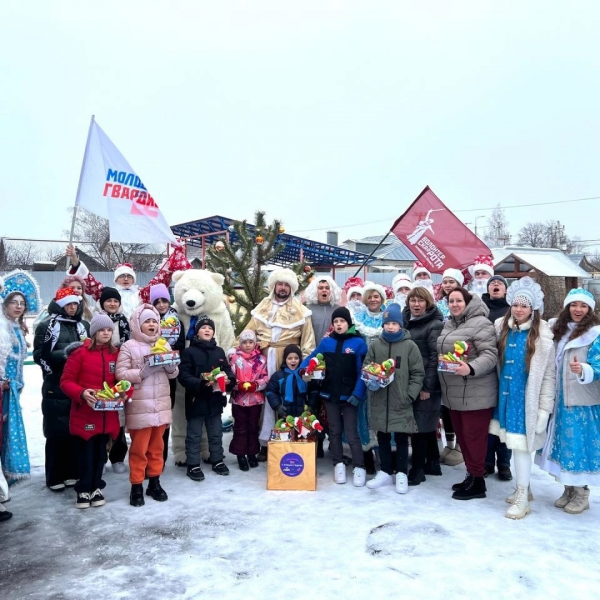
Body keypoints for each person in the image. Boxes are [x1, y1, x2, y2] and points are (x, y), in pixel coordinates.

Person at [490, 277, 555, 519]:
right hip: (506, 397)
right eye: (516, 305)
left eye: (524, 306)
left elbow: (548, 377)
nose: (519, 310)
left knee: (521, 449)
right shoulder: (502, 328)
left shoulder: (543, 338)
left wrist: (543, 411)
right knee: (514, 444)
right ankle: (524, 490)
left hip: (525, 401)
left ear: (533, 309)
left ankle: (522, 494)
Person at [536, 288, 600, 514]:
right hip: (559, 399)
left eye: (583, 306)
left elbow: (599, 364)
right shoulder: (558, 330)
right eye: (574, 305)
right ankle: (569, 488)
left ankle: (582, 492)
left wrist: (584, 369)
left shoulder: (595, 334)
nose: (578, 310)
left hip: (581, 400)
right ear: (567, 307)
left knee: (578, 445)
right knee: (562, 445)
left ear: (590, 310)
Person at [246, 268, 315, 460]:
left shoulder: (301, 310)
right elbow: (248, 334)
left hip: (289, 361)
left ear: (291, 287)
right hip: (262, 360)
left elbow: (308, 342)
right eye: (280, 284)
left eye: (286, 285)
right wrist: (237, 352)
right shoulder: (262, 307)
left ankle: (290, 440)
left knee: (288, 401)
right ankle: (265, 443)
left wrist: (305, 367)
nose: (283, 288)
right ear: (274, 285)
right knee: (265, 401)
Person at [437, 288, 498, 500]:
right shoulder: (450, 323)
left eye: (459, 301)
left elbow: (490, 355)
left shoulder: (481, 323)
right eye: (451, 301)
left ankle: (478, 483)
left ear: (468, 302)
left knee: (474, 439)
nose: (454, 304)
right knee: (463, 438)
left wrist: (470, 368)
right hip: (454, 393)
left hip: (475, 393)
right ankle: (471, 475)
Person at [116, 304, 178, 507]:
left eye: (154, 321)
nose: (151, 324)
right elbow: (121, 374)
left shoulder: (164, 344)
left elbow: (173, 374)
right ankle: (136, 486)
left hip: (160, 406)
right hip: (139, 407)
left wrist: (171, 366)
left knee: (157, 448)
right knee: (139, 449)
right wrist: (143, 371)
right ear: (138, 325)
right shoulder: (128, 346)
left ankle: (154, 482)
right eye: (147, 321)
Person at [300, 308, 368, 486]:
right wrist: (303, 368)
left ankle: (359, 466)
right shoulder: (327, 343)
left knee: (352, 433)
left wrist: (358, 394)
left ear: (348, 323)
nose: (338, 324)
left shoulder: (358, 343)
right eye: (336, 321)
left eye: (342, 321)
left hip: (350, 397)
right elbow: (313, 357)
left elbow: (363, 371)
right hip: (329, 395)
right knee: (335, 432)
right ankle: (338, 463)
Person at [60, 314, 122, 508]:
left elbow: (120, 382)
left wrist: (121, 392)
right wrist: (82, 393)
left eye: (109, 330)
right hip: (85, 414)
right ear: (93, 332)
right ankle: (83, 490)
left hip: (107, 414)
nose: (106, 333)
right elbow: (66, 381)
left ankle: (96, 487)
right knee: (85, 454)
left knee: (101, 455)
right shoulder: (80, 353)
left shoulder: (115, 354)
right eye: (102, 330)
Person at [33, 287, 89, 491]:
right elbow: (39, 354)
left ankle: (73, 472)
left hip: (80, 384)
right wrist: (67, 354)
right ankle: (55, 475)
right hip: (55, 384)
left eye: (76, 303)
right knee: (57, 431)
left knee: (76, 429)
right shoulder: (47, 326)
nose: (73, 307)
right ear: (60, 304)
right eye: (68, 304)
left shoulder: (84, 325)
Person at [364, 303, 424, 493]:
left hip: (401, 400)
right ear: (383, 325)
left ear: (401, 325)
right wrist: (371, 381)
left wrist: (409, 395)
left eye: (394, 323)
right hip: (380, 400)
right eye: (387, 323)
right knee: (382, 436)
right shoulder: (375, 346)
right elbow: (367, 367)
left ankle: (401, 473)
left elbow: (417, 373)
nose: (390, 327)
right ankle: (385, 471)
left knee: (400, 437)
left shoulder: (409, 346)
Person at [178, 316, 235, 482]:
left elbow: (226, 370)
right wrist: (200, 384)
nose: (207, 330)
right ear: (197, 332)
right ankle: (193, 464)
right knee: (194, 435)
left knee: (216, 434)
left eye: (210, 328)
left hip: (215, 401)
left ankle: (217, 460)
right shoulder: (189, 352)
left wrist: (230, 379)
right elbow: (183, 376)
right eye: (203, 328)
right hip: (196, 401)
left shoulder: (219, 352)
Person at [65, 245, 192, 319]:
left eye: (129, 276)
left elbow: (161, 277)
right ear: (116, 279)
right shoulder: (108, 294)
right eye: (122, 276)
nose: (126, 279)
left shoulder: (142, 293)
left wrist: (176, 255)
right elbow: (89, 281)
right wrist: (75, 261)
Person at [403, 287, 444, 483]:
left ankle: (418, 470)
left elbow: (436, 357)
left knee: (420, 426)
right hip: (410, 382)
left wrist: (427, 386)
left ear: (428, 303)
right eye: (413, 300)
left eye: (420, 301)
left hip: (427, 383)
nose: (416, 304)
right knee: (424, 423)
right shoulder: (406, 321)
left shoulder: (434, 325)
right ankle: (433, 462)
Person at [348, 281, 387, 473]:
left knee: (383, 410)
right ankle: (367, 453)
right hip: (362, 371)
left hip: (386, 372)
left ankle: (385, 452)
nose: (373, 300)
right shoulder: (358, 318)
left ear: (382, 298)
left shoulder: (389, 316)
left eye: (376, 296)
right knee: (364, 412)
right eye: (370, 296)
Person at [149, 283, 185, 466]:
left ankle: (160, 457)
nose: (161, 305)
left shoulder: (176, 320)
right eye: (157, 301)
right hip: (150, 373)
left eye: (164, 300)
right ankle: (150, 456)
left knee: (165, 413)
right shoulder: (147, 319)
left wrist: (168, 354)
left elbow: (180, 346)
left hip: (169, 373)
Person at [96, 286, 131, 473]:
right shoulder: (97, 320)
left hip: (119, 371)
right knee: (102, 416)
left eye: (116, 301)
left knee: (119, 416)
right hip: (101, 372)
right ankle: (100, 457)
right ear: (103, 303)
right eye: (109, 301)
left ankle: (117, 457)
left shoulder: (123, 320)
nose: (112, 304)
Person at [481, 275, 512, 481]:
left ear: (506, 290)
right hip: (484, 370)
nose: (496, 285)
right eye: (492, 283)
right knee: (486, 417)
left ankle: (503, 463)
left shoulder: (513, 310)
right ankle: (486, 462)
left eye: (500, 283)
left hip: (506, 369)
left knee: (503, 417)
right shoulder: (480, 309)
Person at [1, 290, 31, 491]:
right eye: (14, 302)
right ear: (4, 304)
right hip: (3, 388)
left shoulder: (17, 328)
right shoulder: (2, 328)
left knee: (7, 432)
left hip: (13, 389)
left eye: (22, 303)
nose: (18, 306)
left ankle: (4, 476)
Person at [435, 268, 465, 467]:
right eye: (444, 281)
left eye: (451, 281)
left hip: (460, 358)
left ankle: (461, 447)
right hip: (441, 359)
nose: (447, 285)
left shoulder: (464, 303)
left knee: (459, 403)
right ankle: (450, 443)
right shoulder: (438, 305)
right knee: (445, 406)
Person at [228, 330, 269, 471]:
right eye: (244, 342)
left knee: (253, 427)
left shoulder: (262, 360)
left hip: (255, 400)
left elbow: (265, 377)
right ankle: (240, 454)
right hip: (239, 400)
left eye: (250, 342)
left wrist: (255, 385)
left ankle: (252, 453)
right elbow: (229, 376)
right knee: (240, 427)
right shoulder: (234, 359)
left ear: (255, 343)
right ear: (240, 344)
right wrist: (237, 384)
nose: (247, 345)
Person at [266, 344, 309, 420]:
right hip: (285, 415)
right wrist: (277, 406)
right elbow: (270, 392)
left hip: (303, 414)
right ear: (285, 359)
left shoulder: (305, 374)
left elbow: (313, 390)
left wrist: (311, 405)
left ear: (300, 359)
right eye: (289, 358)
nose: (293, 360)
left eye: (296, 358)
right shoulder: (278, 376)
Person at [303, 276, 342, 344]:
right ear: (315, 291)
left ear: (332, 291)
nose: (324, 290)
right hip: (313, 351)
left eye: (327, 288)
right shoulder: (307, 309)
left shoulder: (339, 310)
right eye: (320, 288)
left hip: (334, 351)